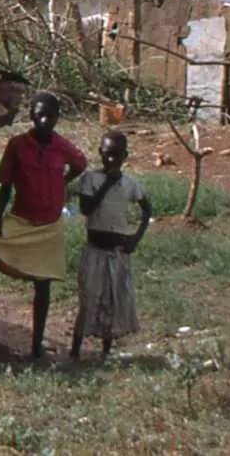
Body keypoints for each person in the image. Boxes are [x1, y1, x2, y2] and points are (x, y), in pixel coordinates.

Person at [0, 92, 88, 358]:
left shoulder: (61, 146)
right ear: (31, 115)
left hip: (49, 225)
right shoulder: (18, 145)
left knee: (43, 284)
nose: (45, 119)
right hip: (20, 219)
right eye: (39, 114)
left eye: (50, 115)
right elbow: (7, 183)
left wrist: (62, 183)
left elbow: (80, 164)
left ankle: (36, 345)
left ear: (57, 117)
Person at [71, 130, 153, 361]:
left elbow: (146, 208)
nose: (111, 160)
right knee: (89, 298)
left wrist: (136, 238)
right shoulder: (91, 179)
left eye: (116, 156)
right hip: (95, 250)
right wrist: (107, 184)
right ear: (100, 153)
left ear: (124, 156)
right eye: (107, 155)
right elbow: (86, 209)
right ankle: (76, 349)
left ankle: (106, 351)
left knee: (113, 300)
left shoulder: (129, 184)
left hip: (117, 251)